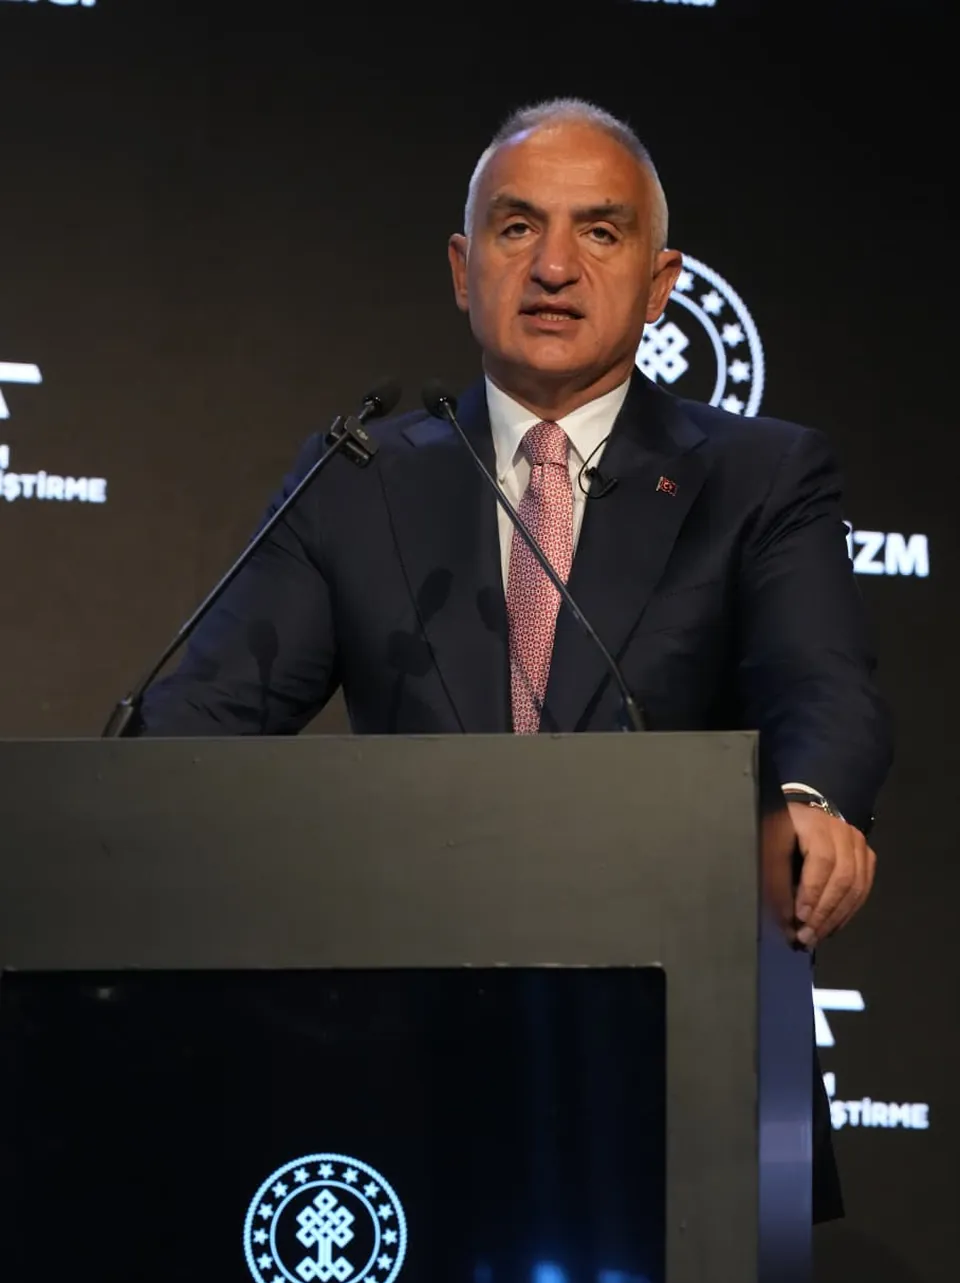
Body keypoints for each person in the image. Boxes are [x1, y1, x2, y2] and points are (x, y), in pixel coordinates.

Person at [140, 100, 892, 1217]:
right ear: (463, 268)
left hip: (678, 1041)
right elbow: (199, 725)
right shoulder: (359, 480)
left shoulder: (761, 477)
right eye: (516, 227)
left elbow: (819, 681)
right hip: (403, 1054)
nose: (553, 266)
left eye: (600, 231)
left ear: (661, 281)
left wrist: (811, 800)